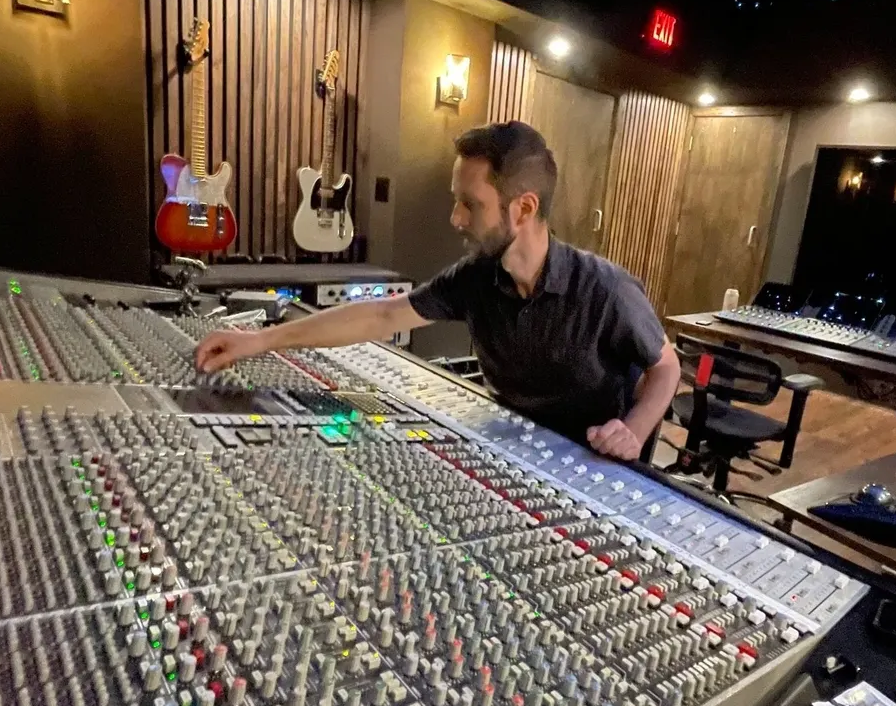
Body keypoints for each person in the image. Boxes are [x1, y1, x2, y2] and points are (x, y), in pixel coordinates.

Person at [195, 121, 681, 460]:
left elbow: (666, 366)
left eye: (471, 204)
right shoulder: (476, 279)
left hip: (591, 464)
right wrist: (261, 341)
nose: (455, 219)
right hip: (512, 448)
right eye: (456, 201)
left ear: (524, 208)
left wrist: (634, 431)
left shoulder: (604, 289)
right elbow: (381, 317)